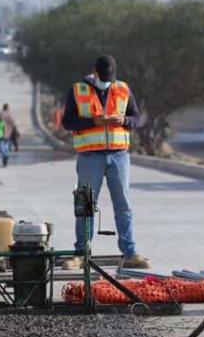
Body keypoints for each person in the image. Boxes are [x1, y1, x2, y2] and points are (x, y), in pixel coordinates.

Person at [60, 55, 149, 271]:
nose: (107, 81)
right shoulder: (78, 90)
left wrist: (125, 121)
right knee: (85, 205)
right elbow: (67, 121)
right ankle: (81, 253)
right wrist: (93, 122)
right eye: (104, 77)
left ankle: (130, 253)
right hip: (90, 157)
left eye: (111, 77)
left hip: (119, 156)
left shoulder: (123, 88)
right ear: (95, 72)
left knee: (124, 206)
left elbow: (137, 118)